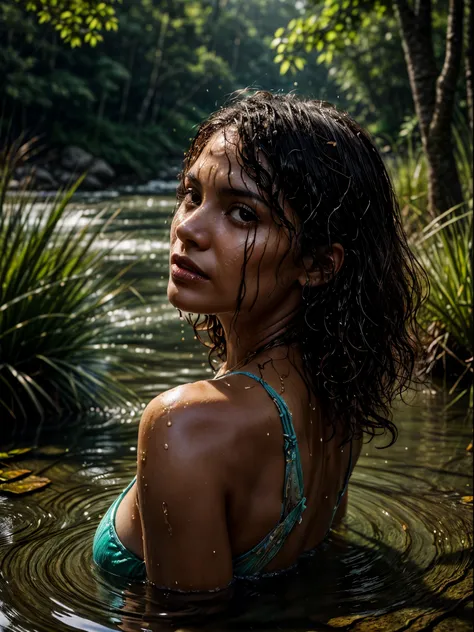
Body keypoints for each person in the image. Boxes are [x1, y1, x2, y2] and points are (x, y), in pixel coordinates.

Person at [93, 91, 427, 592]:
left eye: (243, 214)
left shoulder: (186, 425)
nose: (188, 227)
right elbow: (316, 568)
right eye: (192, 195)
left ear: (317, 265)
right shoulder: (338, 394)